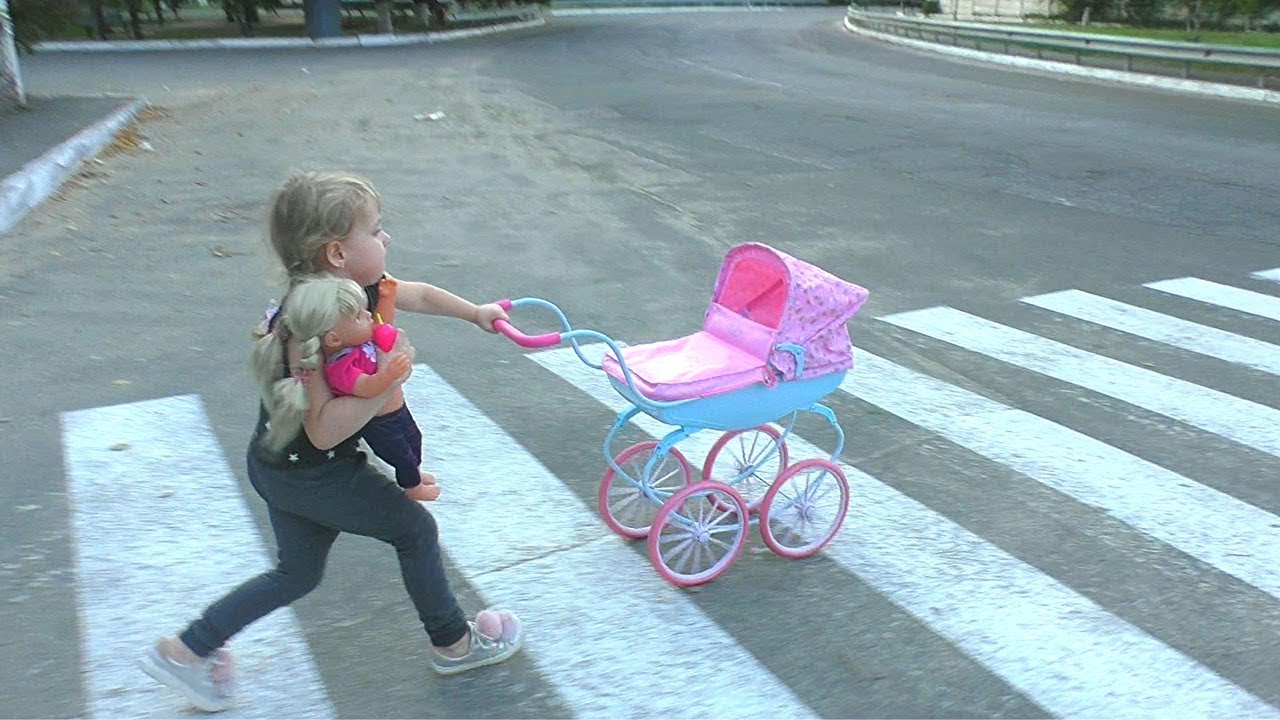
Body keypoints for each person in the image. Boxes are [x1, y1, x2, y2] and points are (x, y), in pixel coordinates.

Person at [139, 171, 523, 712]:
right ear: (338, 253)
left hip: (280, 464)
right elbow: (324, 428)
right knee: (415, 531)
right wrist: (387, 380)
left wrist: (475, 312)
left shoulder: (353, 295)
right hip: (314, 471)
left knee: (296, 573)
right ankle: (453, 643)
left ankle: (186, 651)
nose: (386, 238)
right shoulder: (311, 328)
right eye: (376, 229)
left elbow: (415, 293)